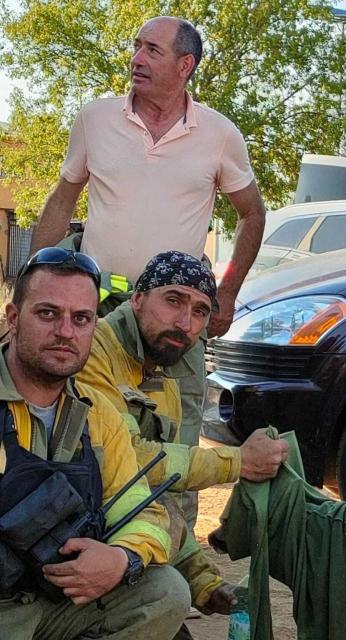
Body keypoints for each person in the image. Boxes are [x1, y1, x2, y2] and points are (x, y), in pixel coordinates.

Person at [30, 15, 266, 532]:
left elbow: (253, 212)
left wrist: (225, 293)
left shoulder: (219, 134)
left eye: (151, 51)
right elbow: (64, 195)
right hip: (96, 312)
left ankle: (174, 578)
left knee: (174, 445)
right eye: (136, 47)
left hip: (174, 321)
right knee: (79, 434)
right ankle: (80, 552)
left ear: (185, 66)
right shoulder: (94, 119)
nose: (136, 58)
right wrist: (34, 281)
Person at [74, 250, 288, 635]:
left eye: (200, 311)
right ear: (137, 298)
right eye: (173, 301)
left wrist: (202, 581)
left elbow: (160, 494)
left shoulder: (165, 374)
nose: (184, 322)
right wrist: (237, 462)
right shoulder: (93, 350)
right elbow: (133, 461)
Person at [0, 247, 190, 639]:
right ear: (14, 318)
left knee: (164, 593)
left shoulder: (97, 412)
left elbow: (144, 512)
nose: (66, 332)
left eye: (81, 318)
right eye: (48, 313)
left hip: (57, 601)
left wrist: (120, 560)